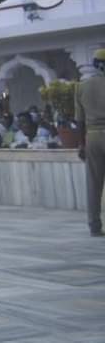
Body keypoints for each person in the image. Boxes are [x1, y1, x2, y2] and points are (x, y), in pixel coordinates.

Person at [75, 49, 105, 236]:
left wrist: (81, 144)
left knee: (93, 184)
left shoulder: (81, 86)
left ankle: (94, 225)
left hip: (92, 136)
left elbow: (79, 120)